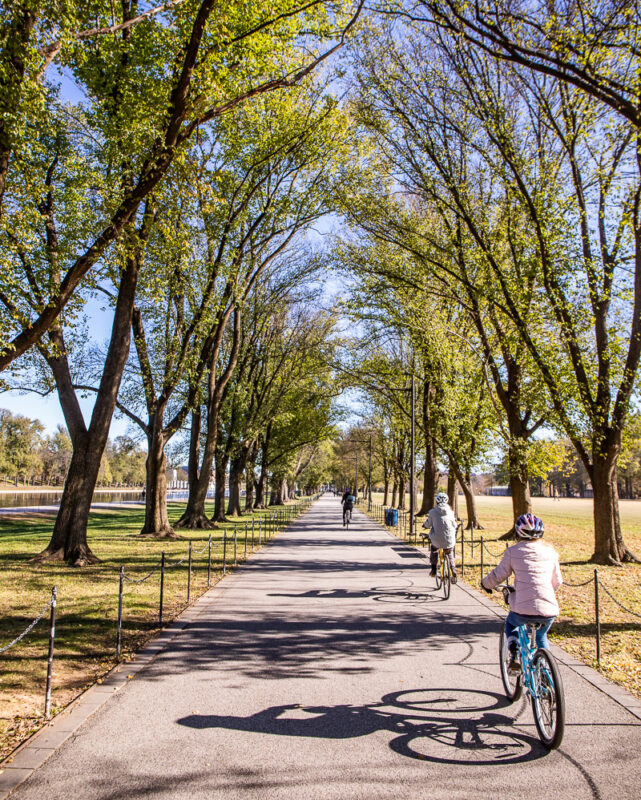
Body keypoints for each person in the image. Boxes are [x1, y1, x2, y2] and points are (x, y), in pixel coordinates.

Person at [481, 513, 562, 672]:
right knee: (541, 636)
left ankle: (515, 653)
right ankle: (547, 674)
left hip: (522, 609)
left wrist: (486, 584)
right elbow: (557, 582)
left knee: (511, 623)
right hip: (549, 610)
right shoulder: (551, 553)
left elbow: (499, 574)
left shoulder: (513, 552)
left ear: (518, 533)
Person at [421, 492, 458, 582]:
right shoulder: (451, 512)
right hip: (449, 539)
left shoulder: (433, 512)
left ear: (436, 502)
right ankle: (453, 569)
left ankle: (433, 569)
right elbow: (455, 525)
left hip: (436, 538)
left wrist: (424, 526)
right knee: (449, 552)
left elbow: (428, 524)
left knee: (434, 550)